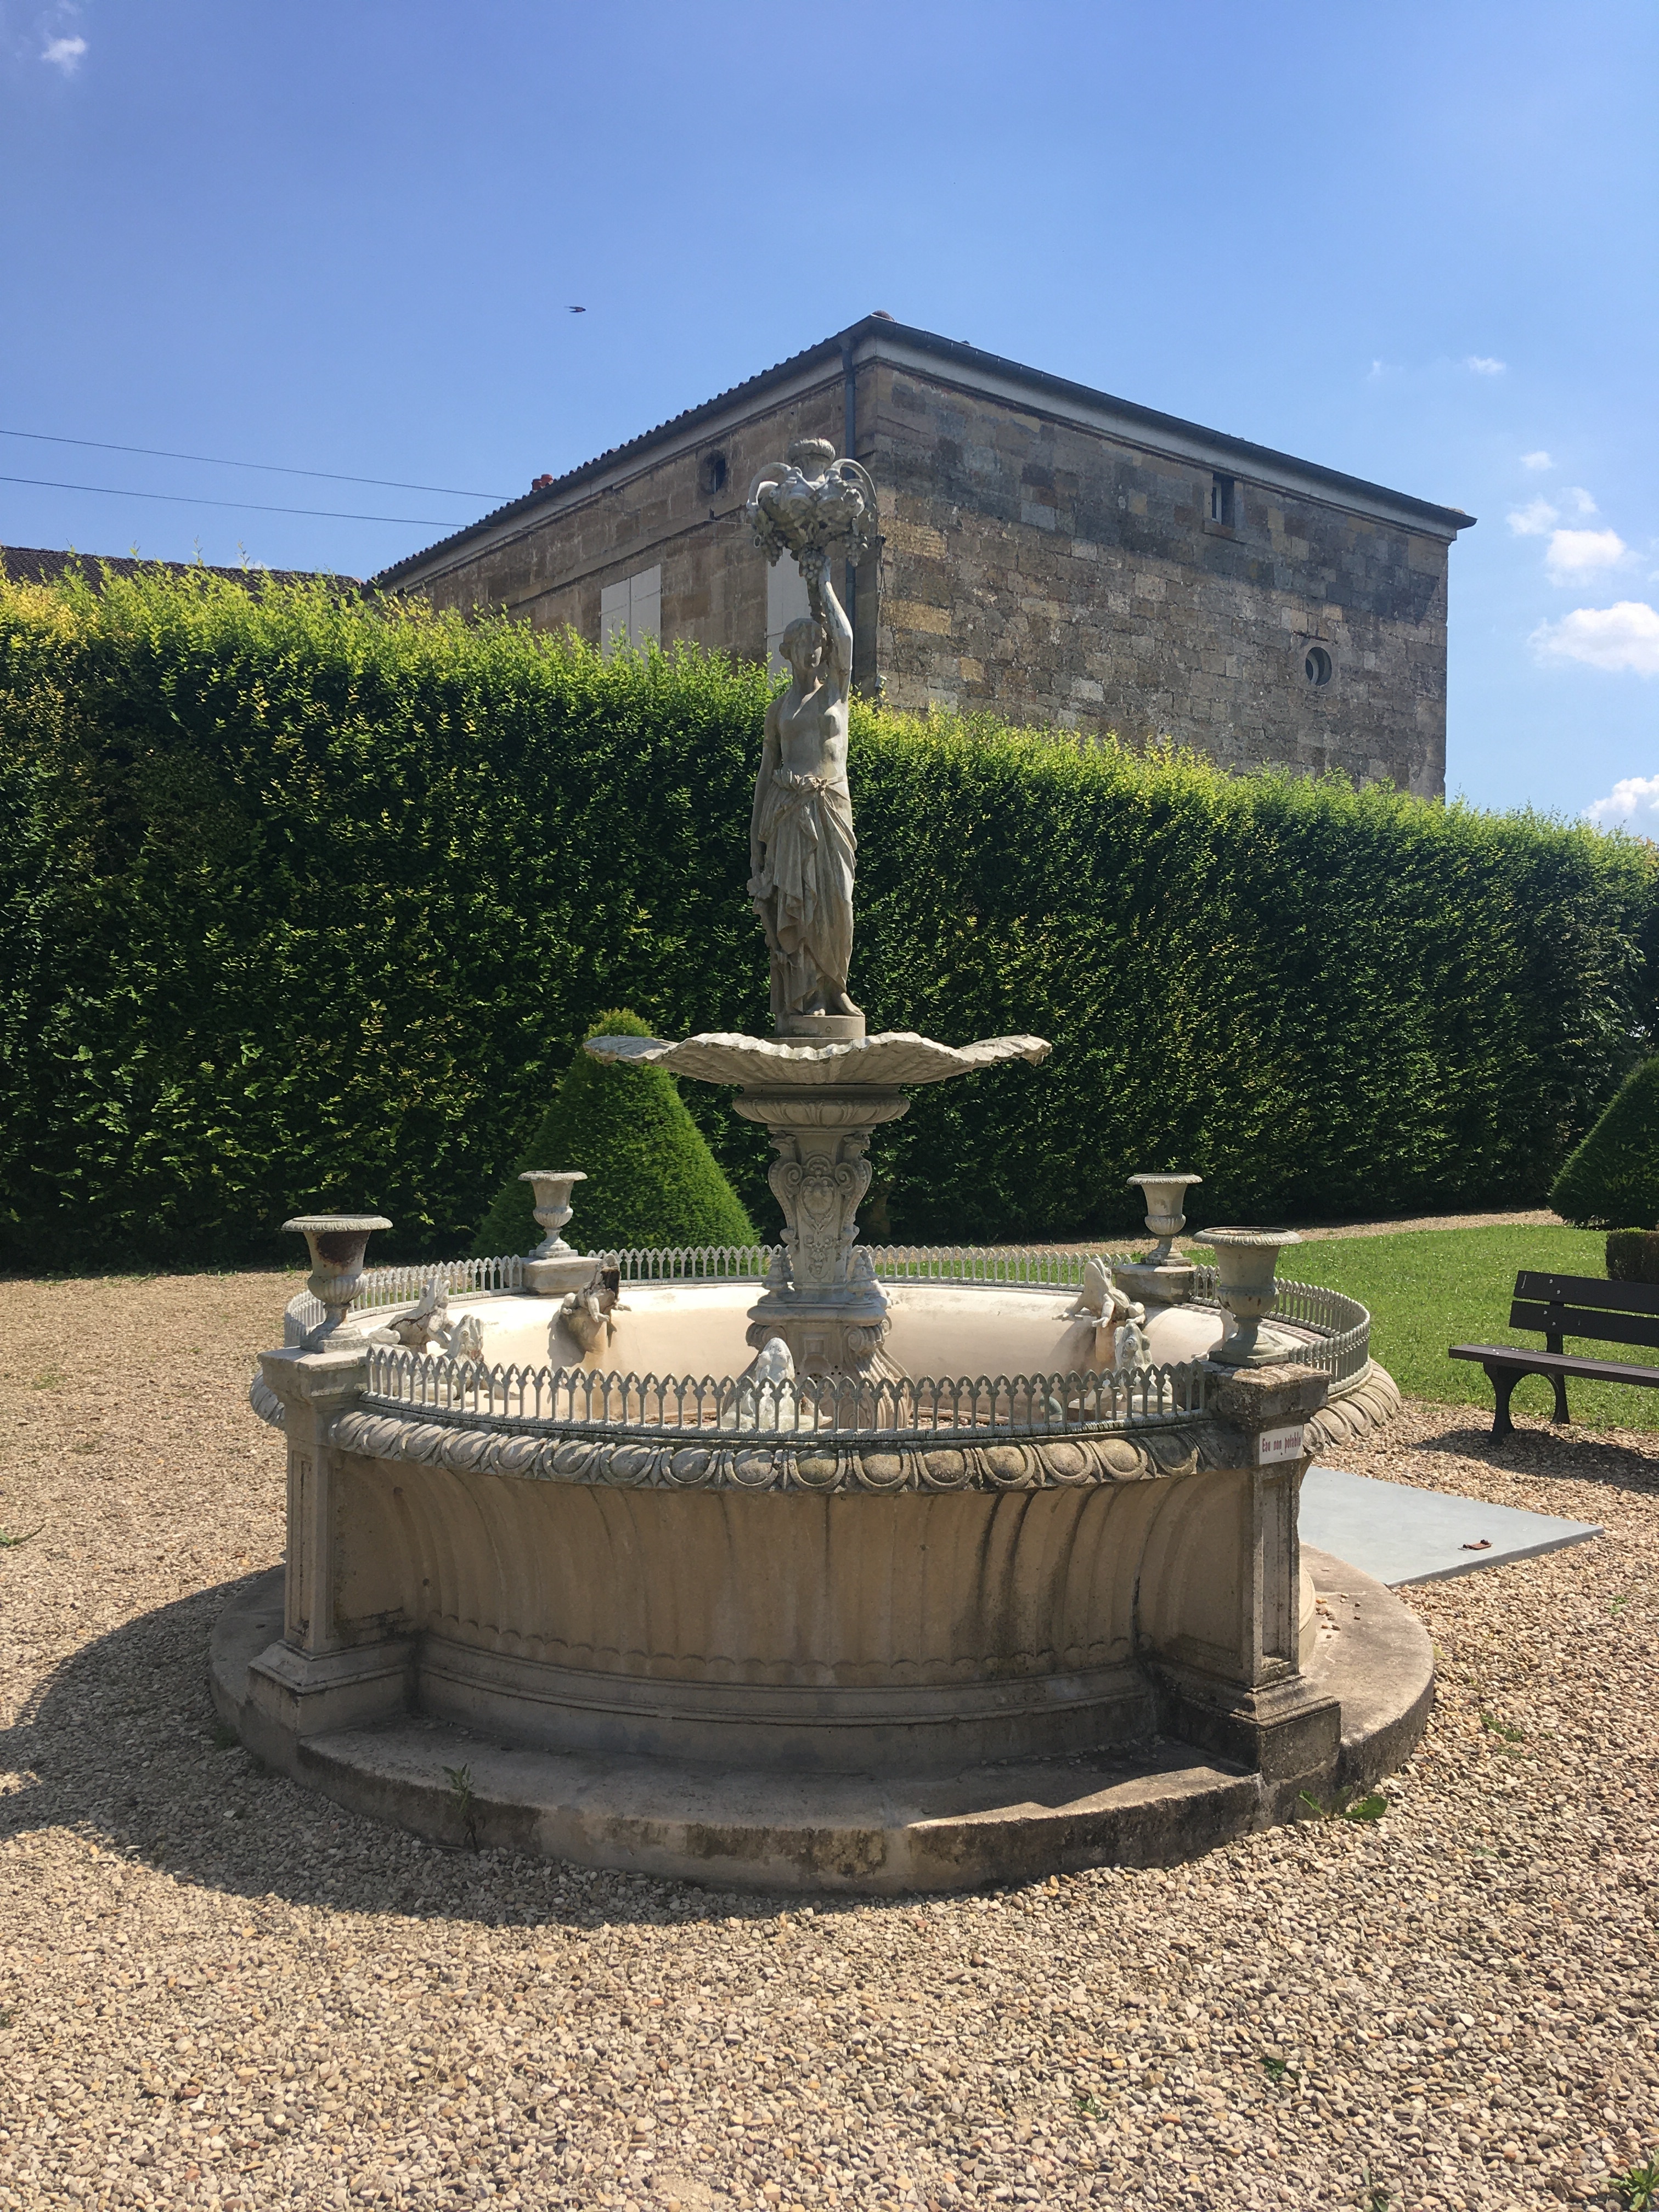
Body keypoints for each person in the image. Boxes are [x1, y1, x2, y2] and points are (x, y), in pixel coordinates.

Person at [748, 548, 862, 1025]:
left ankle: (836, 987)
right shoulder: (779, 709)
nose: (815, 649)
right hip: (788, 813)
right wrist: (755, 849)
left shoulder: (837, 690)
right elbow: (764, 772)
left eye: (819, 642)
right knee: (799, 902)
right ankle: (807, 997)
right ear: (790, 651)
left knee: (837, 901)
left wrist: (825, 584)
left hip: (832, 807)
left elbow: (847, 636)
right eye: (806, 643)